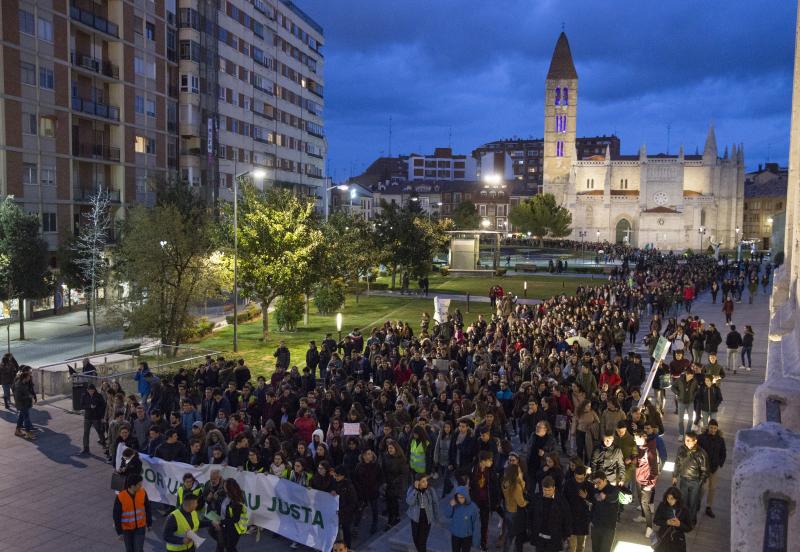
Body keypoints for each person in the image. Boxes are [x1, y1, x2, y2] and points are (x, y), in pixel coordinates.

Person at [672, 431, 708, 526]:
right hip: (684, 479)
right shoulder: (681, 449)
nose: (686, 442)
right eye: (685, 440)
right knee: (683, 501)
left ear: (695, 441)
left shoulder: (701, 453)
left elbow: (705, 470)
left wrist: (700, 483)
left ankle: (691, 521)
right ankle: (683, 519)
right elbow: (677, 463)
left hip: (695, 481)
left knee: (693, 503)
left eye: (689, 440)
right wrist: (675, 475)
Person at [113, 474, 152, 552]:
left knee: (138, 549)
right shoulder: (121, 497)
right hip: (127, 529)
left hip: (140, 527)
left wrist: (149, 523)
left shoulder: (143, 492)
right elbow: (116, 515)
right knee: (130, 550)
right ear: (132, 486)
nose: (141, 486)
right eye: (139, 485)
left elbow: (148, 508)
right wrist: (119, 532)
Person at [471, 451, 500, 552]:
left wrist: (496, 501)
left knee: (485, 523)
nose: (492, 462)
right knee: (472, 521)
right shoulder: (474, 468)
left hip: (486, 501)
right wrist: (465, 485)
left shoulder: (491, 471)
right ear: (483, 461)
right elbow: (458, 472)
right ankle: (470, 539)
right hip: (475, 500)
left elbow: (496, 487)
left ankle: (483, 544)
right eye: (490, 460)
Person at [697, 420, 726, 519]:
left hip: (714, 468)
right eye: (711, 427)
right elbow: (696, 450)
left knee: (712, 488)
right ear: (708, 427)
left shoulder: (720, 440)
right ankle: (697, 503)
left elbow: (723, 452)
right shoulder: (701, 438)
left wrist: (719, 463)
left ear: (717, 429)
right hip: (703, 468)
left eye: (715, 428)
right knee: (703, 488)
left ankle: (708, 507)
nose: (713, 430)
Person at [633, 431, 659, 538]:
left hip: (646, 483)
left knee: (645, 504)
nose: (635, 440)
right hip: (639, 479)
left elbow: (654, 470)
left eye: (636, 438)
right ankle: (643, 517)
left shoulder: (650, 451)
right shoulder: (641, 447)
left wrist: (650, 484)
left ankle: (650, 527)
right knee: (641, 500)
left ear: (643, 437)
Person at [212, 478, 249, 552]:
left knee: (230, 548)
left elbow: (235, 519)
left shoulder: (237, 502)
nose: (223, 487)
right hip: (226, 526)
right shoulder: (226, 495)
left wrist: (220, 522)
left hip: (234, 529)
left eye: (225, 486)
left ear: (229, 488)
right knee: (222, 545)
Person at [406, 473, 441, 552]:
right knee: (415, 539)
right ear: (417, 482)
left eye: (426, 481)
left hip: (426, 516)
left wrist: (437, 517)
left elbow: (435, 503)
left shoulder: (430, 490)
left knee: (422, 541)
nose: (426, 483)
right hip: (415, 517)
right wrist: (416, 490)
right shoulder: (411, 489)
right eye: (423, 481)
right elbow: (409, 502)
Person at [652, 487, 693, 552]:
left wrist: (680, 524)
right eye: (668, 498)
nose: (669, 501)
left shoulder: (684, 510)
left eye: (672, 498)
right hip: (663, 538)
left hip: (677, 541)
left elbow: (689, 527)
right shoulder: (663, 505)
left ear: (677, 499)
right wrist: (666, 522)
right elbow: (656, 520)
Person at [563, 465, 592, 552]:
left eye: (581, 478)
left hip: (583, 520)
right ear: (574, 475)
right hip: (571, 519)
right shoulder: (568, 484)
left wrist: (586, 497)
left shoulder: (589, 485)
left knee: (581, 546)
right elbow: (563, 500)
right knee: (571, 546)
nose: (579, 480)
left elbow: (594, 501)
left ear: (585, 476)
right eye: (577, 478)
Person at [589, 473, 620, 552]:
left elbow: (614, 498)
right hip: (596, 525)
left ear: (605, 480)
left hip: (608, 527)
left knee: (605, 549)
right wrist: (591, 520)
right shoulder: (595, 490)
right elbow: (594, 506)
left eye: (599, 482)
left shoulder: (613, 489)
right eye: (595, 483)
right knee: (595, 549)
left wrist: (606, 497)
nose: (597, 485)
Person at [500, 464, 527, 552]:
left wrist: (520, 480)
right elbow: (521, 502)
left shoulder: (505, 481)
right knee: (515, 534)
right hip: (515, 512)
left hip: (508, 508)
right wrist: (527, 502)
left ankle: (506, 549)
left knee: (508, 533)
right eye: (518, 471)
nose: (520, 472)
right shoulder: (516, 486)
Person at [445, 486, 481, 552]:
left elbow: (476, 525)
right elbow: (447, 515)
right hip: (455, 535)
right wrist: (450, 505)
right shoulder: (454, 504)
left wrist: (476, 541)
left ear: (466, 496)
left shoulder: (473, 507)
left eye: (462, 497)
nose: (459, 499)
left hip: (467, 537)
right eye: (458, 497)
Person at [333, 465, 359, 549]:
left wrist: (343, 511)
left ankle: (347, 548)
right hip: (336, 513)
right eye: (335, 475)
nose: (336, 477)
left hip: (346, 514)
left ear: (343, 476)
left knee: (346, 532)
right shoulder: (334, 483)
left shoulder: (349, 486)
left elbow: (353, 503)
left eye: (338, 475)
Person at [81, 383, 107, 454]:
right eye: (90, 390)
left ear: (94, 390)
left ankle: (104, 445)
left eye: (92, 390)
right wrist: (89, 406)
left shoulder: (99, 396)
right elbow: (82, 405)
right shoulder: (84, 396)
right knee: (86, 433)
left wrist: (101, 416)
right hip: (87, 417)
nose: (91, 392)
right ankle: (86, 448)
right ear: (87, 390)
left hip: (96, 417)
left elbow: (103, 406)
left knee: (99, 431)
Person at [12, 368, 36, 439]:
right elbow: (18, 397)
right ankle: (28, 433)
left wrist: (29, 396)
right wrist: (28, 396)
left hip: (24, 404)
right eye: (29, 377)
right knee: (27, 418)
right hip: (22, 405)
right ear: (25, 378)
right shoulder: (19, 385)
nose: (30, 378)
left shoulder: (23, 383)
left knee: (21, 417)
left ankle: (17, 430)